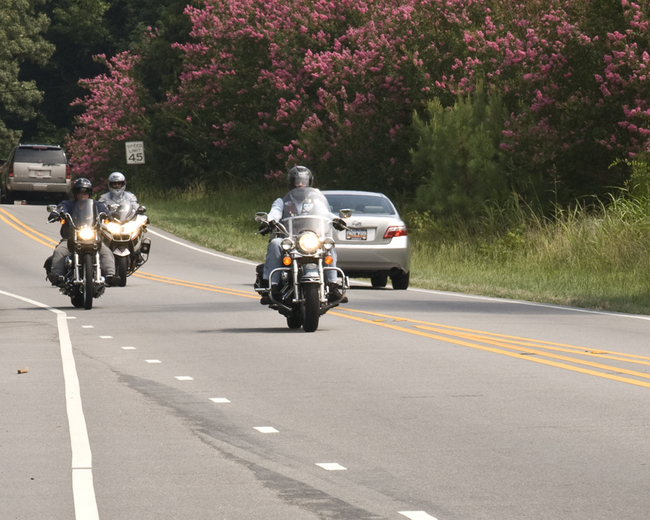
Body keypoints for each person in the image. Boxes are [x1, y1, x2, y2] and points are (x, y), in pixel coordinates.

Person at [259, 165, 346, 304]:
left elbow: (325, 213)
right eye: (297, 181)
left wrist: (336, 220)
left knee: (328, 244)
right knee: (275, 243)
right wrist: (268, 221)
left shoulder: (315, 202)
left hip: (311, 238)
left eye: (303, 181)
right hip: (290, 239)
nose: (300, 184)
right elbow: (274, 213)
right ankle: (272, 286)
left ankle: (333, 285)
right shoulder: (282, 202)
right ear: (291, 182)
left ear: (309, 183)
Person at [46, 178, 119, 286]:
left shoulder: (96, 205)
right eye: (80, 192)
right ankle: (57, 276)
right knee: (60, 251)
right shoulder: (68, 204)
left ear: (89, 193)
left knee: (106, 252)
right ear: (75, 193)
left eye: (85, 192)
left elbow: (104, 211)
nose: (82, 195)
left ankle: (110, 275)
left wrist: (110, 215)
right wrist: (57, 213)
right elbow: (61, 209)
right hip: (71, 238)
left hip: (92, 238)